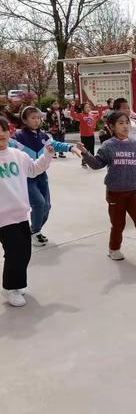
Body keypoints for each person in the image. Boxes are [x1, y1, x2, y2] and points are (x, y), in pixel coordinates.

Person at [78, 111, 136, 264]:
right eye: (121, 123)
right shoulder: (108, 146)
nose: (125, 126)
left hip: (132, 192)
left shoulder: (133, 144)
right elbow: (97, 164)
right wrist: (85, 153)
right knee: (119, 224)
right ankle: (114, 249)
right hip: (115, 192)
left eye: (127, 122)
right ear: (111, 127)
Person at [0, 117, 55, 307]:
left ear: (9, 132)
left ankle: (15, 284)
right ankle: (11, 288)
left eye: (3, 129)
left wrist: (47, 155)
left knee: (23, 252)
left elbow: (34, 170)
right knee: (16, 252)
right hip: (2, 216)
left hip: (21, 213)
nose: (1, 134)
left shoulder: (18, 155)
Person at [9, 107, 79, 247]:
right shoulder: (18, 137)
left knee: (47, 206)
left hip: (42, 175)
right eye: (33, 118)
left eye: (39, 118)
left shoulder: (44, 136)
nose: (37, 120)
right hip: (27, 177)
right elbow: (7, 146)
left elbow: (55, 145)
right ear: (24, 120)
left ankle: (34, 230)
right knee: (39, 204)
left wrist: (70, 148)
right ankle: (35, 232)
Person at [69, 102, 103, 168]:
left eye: (88, 107)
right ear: (82, 109)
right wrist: (72, 107)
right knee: (85, 149)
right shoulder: (81, 115)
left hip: (91, 135)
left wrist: (99, 108)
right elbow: (72, 114)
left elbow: (99, 116)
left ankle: (92, 162)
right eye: (86, 107)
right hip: (84, 136)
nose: (88, 108)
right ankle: (84, 161)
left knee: (91, 150)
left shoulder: (92, 115)